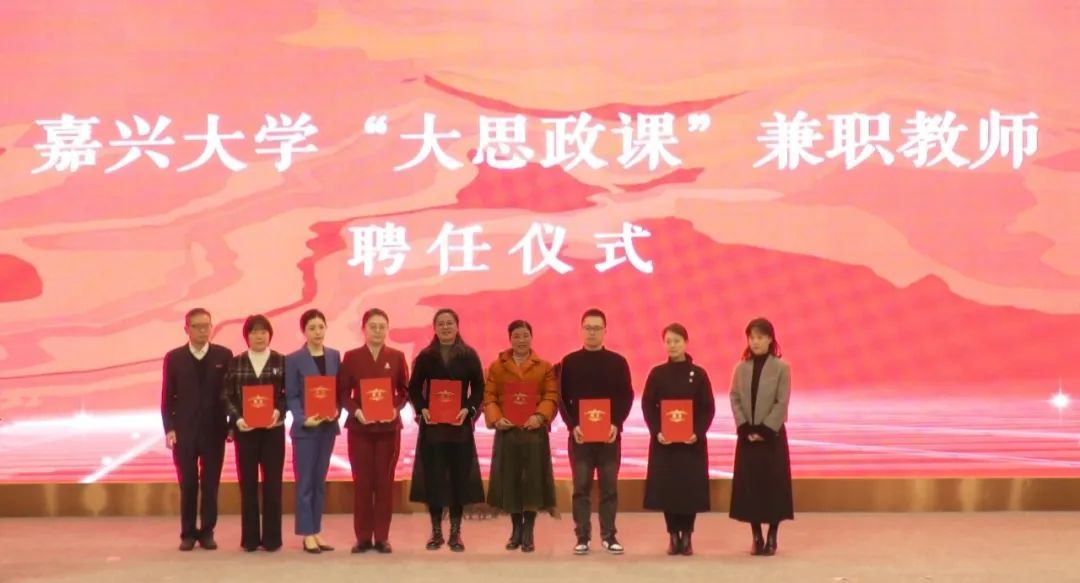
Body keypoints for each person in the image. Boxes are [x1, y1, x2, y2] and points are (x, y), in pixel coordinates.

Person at [407, 308, 486, 552]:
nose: (445, 327)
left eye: (449, 323)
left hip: (459, 428)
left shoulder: (469, 355)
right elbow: (414, 388)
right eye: (440, 323)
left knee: (458, 480)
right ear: (435, 328)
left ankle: (455, 533)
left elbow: (479, 388)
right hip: (433, 429)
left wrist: (469, 409)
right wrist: (422, 409)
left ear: (457, 326)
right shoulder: (426, 356)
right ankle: (436, 532)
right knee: (434, 480)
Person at [557, 308, 634, 555]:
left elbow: (626, 396)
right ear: (581, 330)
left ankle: (609, 535)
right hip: (580, 437)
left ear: (605, 331)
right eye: (588, 328)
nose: (592, 332)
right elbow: (561, 398)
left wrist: (616, 424)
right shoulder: (569, 362)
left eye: (597, 328)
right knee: (581, 488)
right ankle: (582, 536)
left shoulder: (618, 362)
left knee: (609, 488)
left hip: (609, 437)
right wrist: (572, 426)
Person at [483, 319, 559, 553]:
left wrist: (539, 416)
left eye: (525, 335)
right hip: (508, 433)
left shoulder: (544, 367)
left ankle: (529, 531)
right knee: (511, 481)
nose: (521, 340)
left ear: (531, 337)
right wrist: (496, 418)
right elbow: (489, 397)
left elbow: (551, 396)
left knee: (532, 482)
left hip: (533, 433)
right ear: (510, 339)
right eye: (517, 336)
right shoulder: (497, 367)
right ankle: (516, 529)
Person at [337, 308, 409, 554]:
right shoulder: (352, 357)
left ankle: (382, 537)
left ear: (387, 329)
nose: (377, 331)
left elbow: (404, 391)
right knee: (363, 482)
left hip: (388, 429)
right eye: (373, 326)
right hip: (361, 429)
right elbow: (343, 393)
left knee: (384, 483)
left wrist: (395, 409)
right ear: (364, 329)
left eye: (382, 326)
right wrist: (357, 411)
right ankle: (363, 537)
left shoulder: (397, 357)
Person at [161, 308, 233, 551]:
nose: (203, 330)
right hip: (185, 431)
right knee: (188, 483)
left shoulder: (224, 355)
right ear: (186, 329)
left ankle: (207, 532)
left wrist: (231, 425)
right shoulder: (174, 358)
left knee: (211, 484)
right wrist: (169, 428)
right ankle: (188, 533)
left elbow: (231, 394)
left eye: (207, 326)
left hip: (215, 430)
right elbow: (167, 397)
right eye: (197, 326)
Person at [641, 323, 715, 556]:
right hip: (665, 443)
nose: (672, 345)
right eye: (668, 341)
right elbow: (647, 405)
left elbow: (707, 407)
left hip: (691, 444)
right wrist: (657, 431)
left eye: (677, 341)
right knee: (668, 490)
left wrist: (697, 432)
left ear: (686, 342)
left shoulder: (699, 374)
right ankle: (673, 535)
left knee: (688, 490)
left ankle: (688, 535)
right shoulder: (657, 373)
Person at [729, 317, 794, 556]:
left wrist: (766, 429)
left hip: (772, 437)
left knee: (773, 487)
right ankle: (756, 535)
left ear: (770, 339)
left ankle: (773, 534)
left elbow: (782, 400)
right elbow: (734, 397)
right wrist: (745, 427)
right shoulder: (741, 368)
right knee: (751, 487)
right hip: (748, 437)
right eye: (752, 338)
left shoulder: (781, 367)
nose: (755, 342)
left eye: (760, 337)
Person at [222, 314, 287, 552]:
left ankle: (272, 539)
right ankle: (249, 539)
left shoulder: (282, 361)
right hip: (246, 432)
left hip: (273, 431)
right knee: (248, 484)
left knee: (273, 485)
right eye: (254, 332)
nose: (259, 336)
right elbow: (226, 395)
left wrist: (278, 412)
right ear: (247, 336)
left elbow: (287, 395)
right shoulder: (236, 362)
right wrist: (238, 419)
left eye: (263, 332)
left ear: (270, 335)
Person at [285, 309, 341, 554]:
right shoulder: (293, 359)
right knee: (305, 482)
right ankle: (306, 533)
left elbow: (337, 391)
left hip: (327, 427)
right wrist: (302, 419)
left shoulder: (334, 356)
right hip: (305, 430)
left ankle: (316, 529)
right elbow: (292, 395)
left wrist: (337, 410)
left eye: (321, 327)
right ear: (304, 331)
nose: (317, 332)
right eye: (312, 328)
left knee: (319, 481)